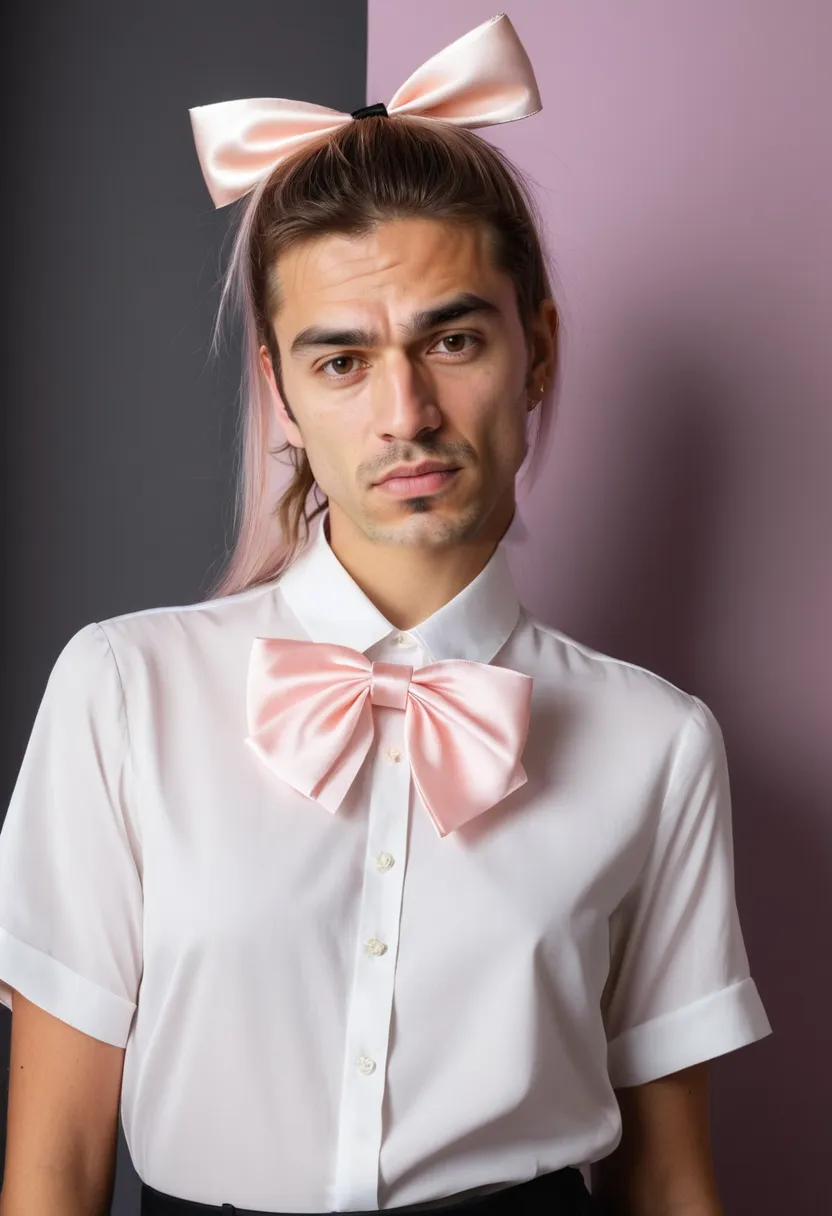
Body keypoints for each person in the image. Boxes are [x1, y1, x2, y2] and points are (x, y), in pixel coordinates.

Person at [0, 14, 772, 1216]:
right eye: (342, 360)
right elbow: (50, 1164)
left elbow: (669, 1178)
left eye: (452, 338)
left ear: (538, 353)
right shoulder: (119, 692)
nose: (404, 412)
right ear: (282, 393)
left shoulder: (659, 745)